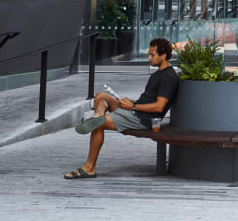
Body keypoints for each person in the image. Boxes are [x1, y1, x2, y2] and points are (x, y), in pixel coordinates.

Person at [63, 37, 180, 179]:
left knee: (99, 125)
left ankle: (89, 167)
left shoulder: (168, 77)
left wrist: (134, 106)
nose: (149, 58)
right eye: (149, 54)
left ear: (164, 55)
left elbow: (159, 107)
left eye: (152, 55)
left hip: (143, 119)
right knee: (101, 96)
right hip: (135, 110)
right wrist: (132, 102)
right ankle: (97, 116)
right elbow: (149, 99)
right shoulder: (158, 74)